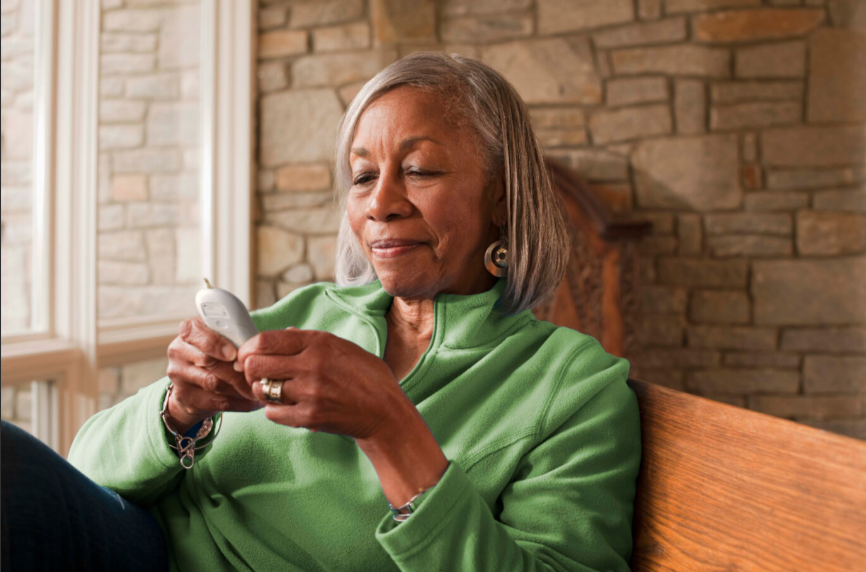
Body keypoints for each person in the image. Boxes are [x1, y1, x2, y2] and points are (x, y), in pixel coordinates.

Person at [1, 51, 641, 572]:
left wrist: (391, 429)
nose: (380, 203)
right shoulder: (312, 309)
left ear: (502, 196)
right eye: (363, 177)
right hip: (142, 546)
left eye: (418, 170)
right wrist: (180, 412)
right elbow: (83, 466)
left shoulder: (575, 387)